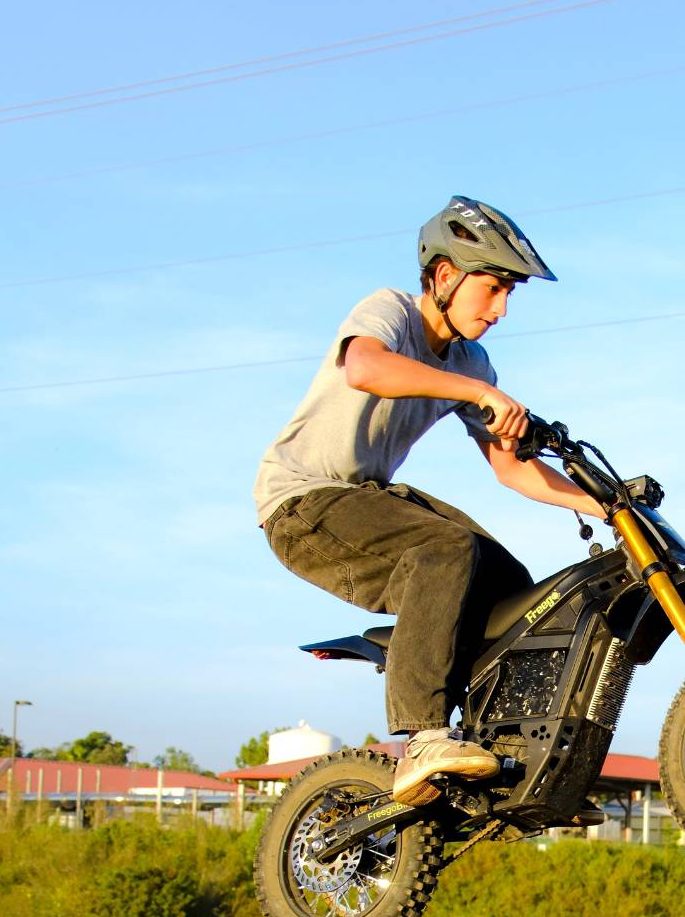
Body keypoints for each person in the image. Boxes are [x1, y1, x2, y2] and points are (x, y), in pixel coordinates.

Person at [255, 196, 604, 806]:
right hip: (304, 502)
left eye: (509, 295)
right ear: (445, 276)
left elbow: (512, 471)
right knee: (446, 547)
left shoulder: (472, 361)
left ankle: (501, 752)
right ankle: (423, 735)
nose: (499, 309)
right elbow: (365, 369)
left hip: (366, 499)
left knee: (509, 583)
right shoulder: (390, 312)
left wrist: (608, 509)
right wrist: (474, 392)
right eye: (492, 288)